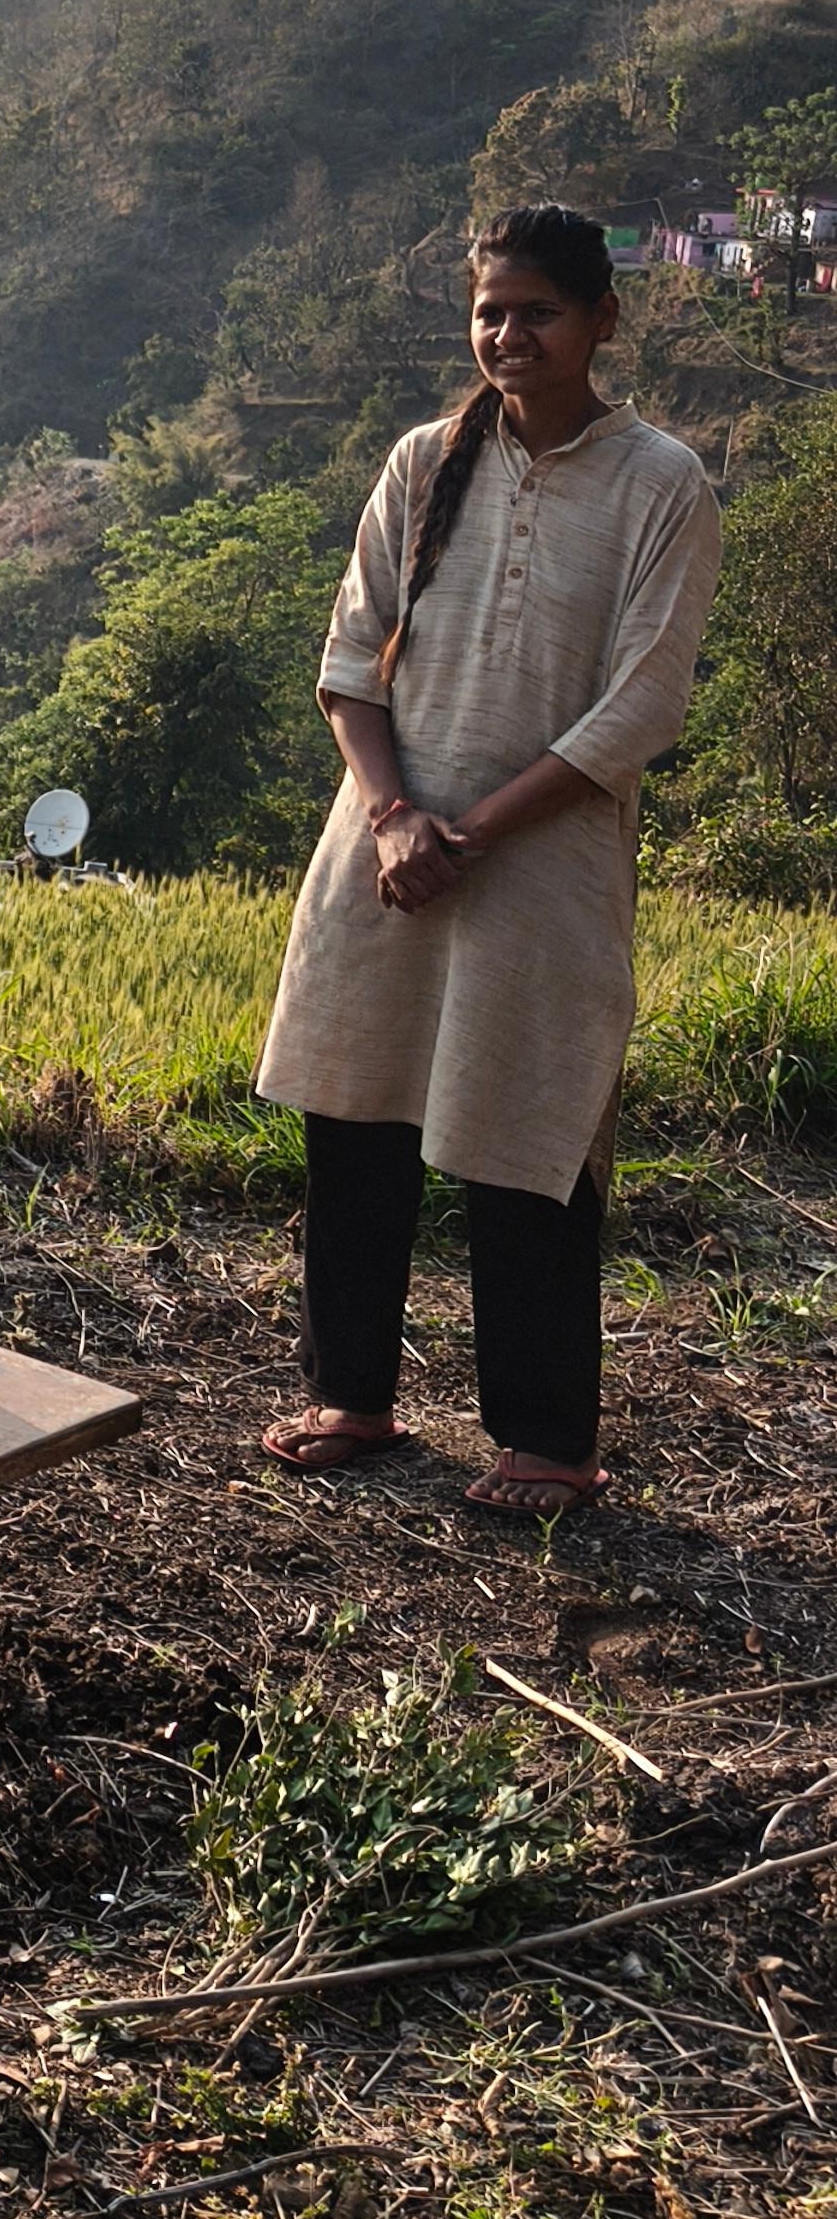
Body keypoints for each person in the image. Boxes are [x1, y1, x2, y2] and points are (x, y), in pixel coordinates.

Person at [254, 205, 719, 1508]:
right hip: (385, 858)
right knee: (357, 1123)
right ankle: (353, 1395)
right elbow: (352, 661)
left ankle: (546, 1441)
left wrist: (476, 829)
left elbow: (642, 708)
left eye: (539, 311)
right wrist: (399, 818)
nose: (510, 334)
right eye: (490, 312)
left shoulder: (660, 485)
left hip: (541, 873)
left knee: (530, 1139)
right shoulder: (421, 462)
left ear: (602, 323)